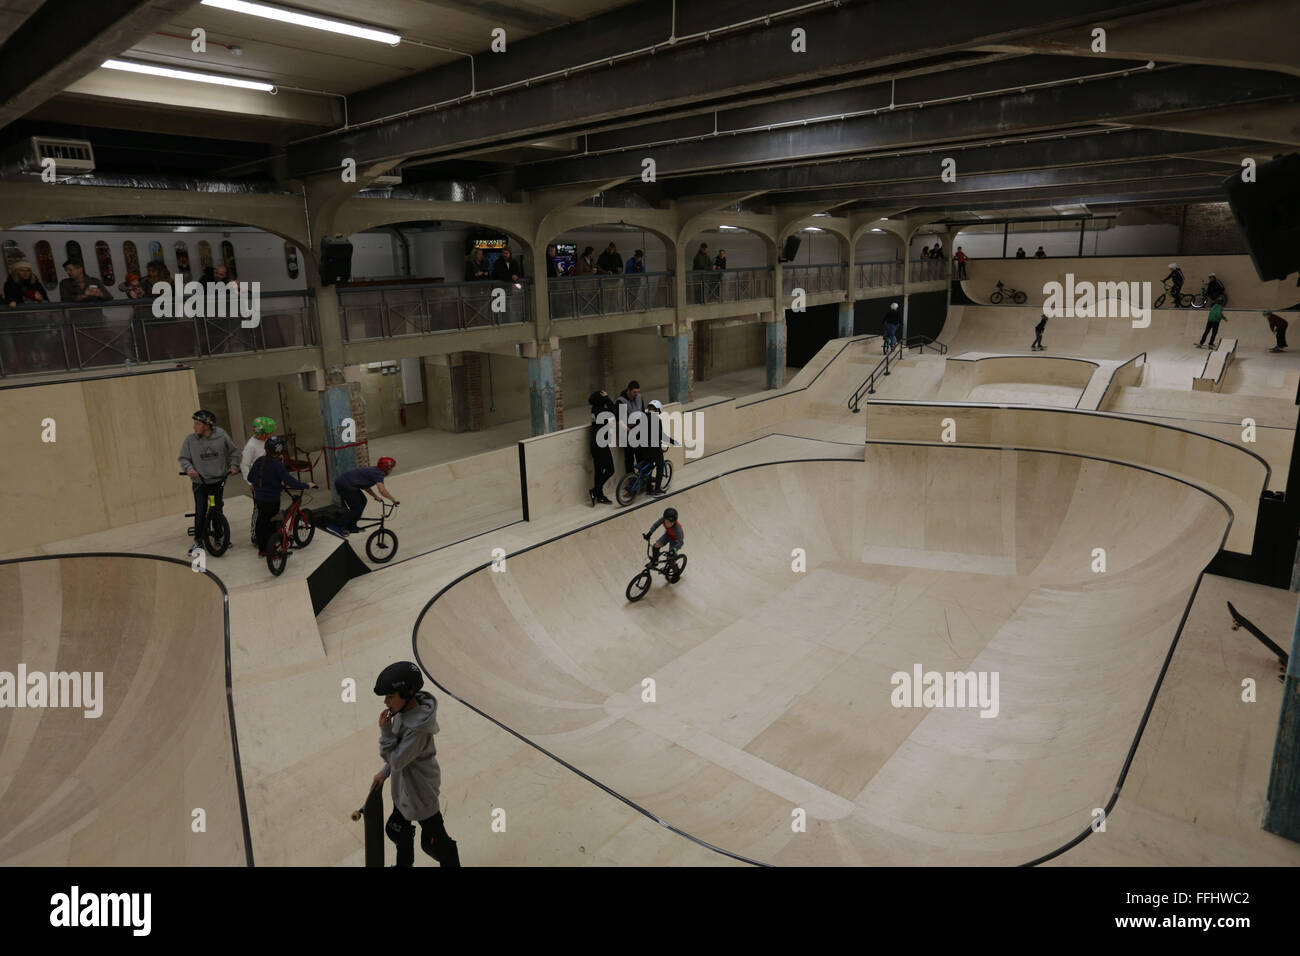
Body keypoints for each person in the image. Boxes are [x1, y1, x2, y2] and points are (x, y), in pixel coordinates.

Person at [372, 661, 460, 868]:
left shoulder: (417, 730)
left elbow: (397, 759)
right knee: (398, 831)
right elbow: (397, 753)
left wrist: (385, 732)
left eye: (390, 696)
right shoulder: (403, 712)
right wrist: (384, 773)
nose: (386, 702)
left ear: (408, 693)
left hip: (420, 795)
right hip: (403, 789)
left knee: (436, 844)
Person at [179, 409, 240, 552]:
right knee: (201, 510)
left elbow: (233, 451)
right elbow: (183, 458)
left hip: (217, 481)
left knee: (217, 509)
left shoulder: (221, 435)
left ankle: (219, 536)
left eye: (197, 424)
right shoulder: (190, 440)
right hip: (200, 483)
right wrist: (189, 468)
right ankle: (198, 541)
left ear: (207, 425)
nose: (194, 427)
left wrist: (234, 466)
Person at [248, 436, 317, 556]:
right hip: (272, 500)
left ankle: (262, 549)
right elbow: (291, 482)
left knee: (262, 522)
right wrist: (307, 485)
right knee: (273, 524)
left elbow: (250, 478)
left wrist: (264, 484)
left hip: (259, 498)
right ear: (280, 450)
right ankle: (273, 549)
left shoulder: (259, 461)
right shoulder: (277, 465)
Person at [330, 457, 399, 536]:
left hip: (348, 483)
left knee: (363, 501)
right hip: (344, 484)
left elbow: (365, 486)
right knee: (356, 507)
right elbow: (382, 490)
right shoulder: (378, 474)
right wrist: (393, 500)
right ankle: (336, 526)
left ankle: (351, 526)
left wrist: (375, 496)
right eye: (391, 468)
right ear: (386, 469)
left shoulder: (376, 471)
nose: (391, 470)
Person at [241, 416, 278, 545]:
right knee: (259, 509)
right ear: (259, 432)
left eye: (269, 433)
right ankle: (255, 534)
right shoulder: (251, 446)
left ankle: (270, 531)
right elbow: (244, 465)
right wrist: (250, 482)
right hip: (258, 483)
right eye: (266, 433)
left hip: (270, 482)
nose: (268, 435)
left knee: (271, 508)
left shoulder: (267, 441)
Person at [588, 390, 616, 506]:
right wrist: (607, 398)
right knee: (610, 470)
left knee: (599, 471)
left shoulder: (594, 410)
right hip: (601, 445)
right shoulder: (601, 411)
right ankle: (595, 490)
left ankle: (599, 496)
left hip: (595, 444)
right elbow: (614, 411)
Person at [634, 399, 667, 496]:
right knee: (660, 465)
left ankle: (649, 489)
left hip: (642, 447)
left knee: (648, 466)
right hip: (653, 448)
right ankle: (657, 489)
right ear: (658, 410)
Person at [616, 380, 644, 475]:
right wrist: (631, 431)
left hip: (639, 432)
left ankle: (643, 477)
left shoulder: (639, 397)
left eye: (638, 392)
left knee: (642, 456)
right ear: (629, 390)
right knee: (629, 459)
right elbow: (619, 421)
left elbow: (643, 413)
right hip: (627, 434)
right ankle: (631, 479)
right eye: (634, 392)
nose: (636, 394)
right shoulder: (621, 401)